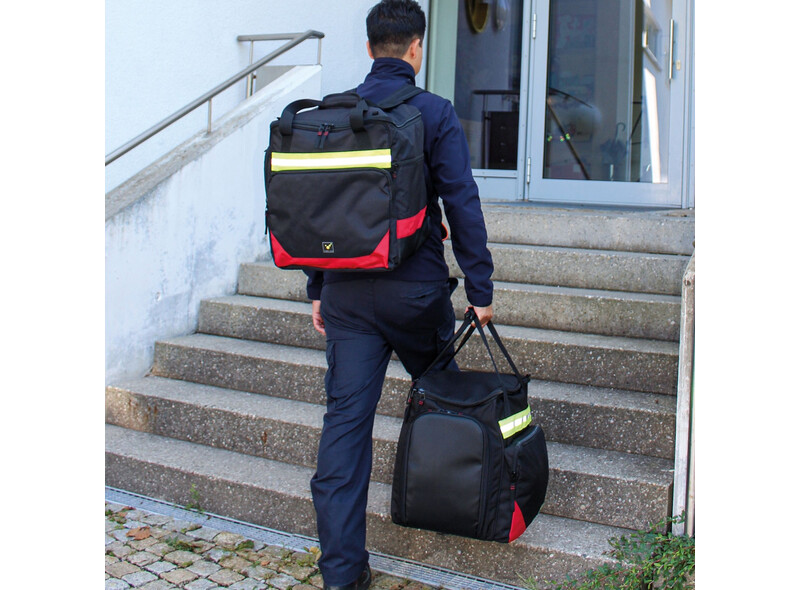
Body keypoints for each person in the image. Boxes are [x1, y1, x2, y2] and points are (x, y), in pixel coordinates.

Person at [306, 2, 494, 588]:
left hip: (346, 295)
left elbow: (318, 208)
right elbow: (461, 201)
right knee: (448, 401)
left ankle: (342, 574)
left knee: (344, 431)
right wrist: (480, 288)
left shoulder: (334, 113)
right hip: (415, 293)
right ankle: (463, 509)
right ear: (417, 48)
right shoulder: (434, 112)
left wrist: (318, 287)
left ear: (369, 49)